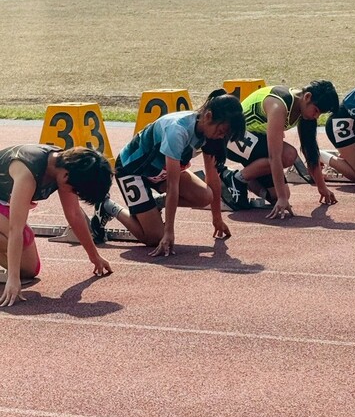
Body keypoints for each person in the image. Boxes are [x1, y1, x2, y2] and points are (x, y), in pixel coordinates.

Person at [91, 90, 245, 256]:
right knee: (154, 238)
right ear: (208, 116)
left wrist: (217, 219)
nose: (221, 137)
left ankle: (155, 203)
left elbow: (212, 177)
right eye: (221, 131)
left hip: (160, 172)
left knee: (205, 196)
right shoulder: (177, 131)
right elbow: (173, 185)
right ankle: (108, 206)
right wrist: (169, 232)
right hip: (133, 170)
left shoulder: (210, 134)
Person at [0, 145, 113, 307]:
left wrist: (94, 256)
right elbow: (15, 229)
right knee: (16, 252)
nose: (74, 194)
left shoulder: (65, 168)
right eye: (75, 191)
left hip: (3, 202)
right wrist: (12, 278)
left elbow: (74, 214)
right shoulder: (28, 172)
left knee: (28, 270)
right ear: (66, 175)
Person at [223, 81, 340, 219]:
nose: (316, 117)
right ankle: (235, 179)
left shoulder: (304, 109)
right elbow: (274, 156)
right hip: (231, 137)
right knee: (288, 155)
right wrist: (282, 198)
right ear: (307, 97)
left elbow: (310, 151)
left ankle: (237, 177)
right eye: (316, 111)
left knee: (277, 195)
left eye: (320, 114)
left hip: (254, 141)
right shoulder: (279, 105)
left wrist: (322, 187)